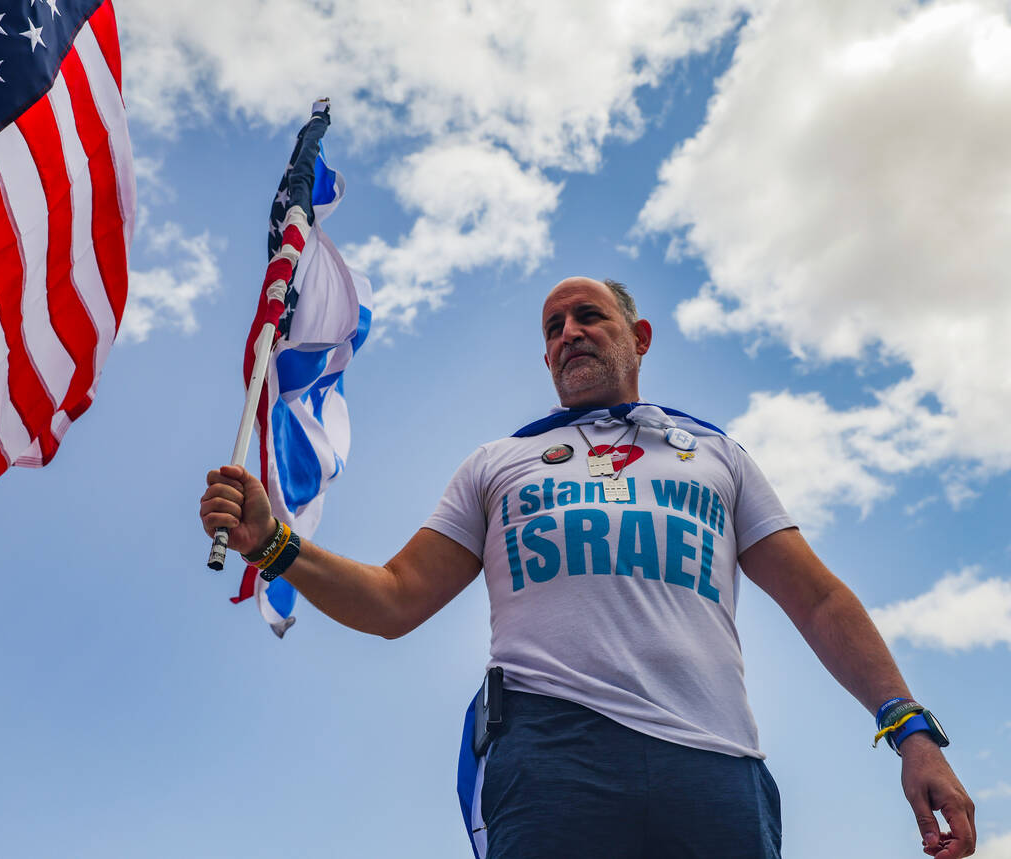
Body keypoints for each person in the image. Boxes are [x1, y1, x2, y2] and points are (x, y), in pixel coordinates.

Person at [200, 277, 975, 859]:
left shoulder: (717, 455)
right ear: (544, 355)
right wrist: (276, 542)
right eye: (553, 327)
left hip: (715, 768)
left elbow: (820, 600)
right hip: (553, 760)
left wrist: (911, 731)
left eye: (589, 316)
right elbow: (394, 599)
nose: (569, 332)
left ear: (638, 335)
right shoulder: (499, 463)